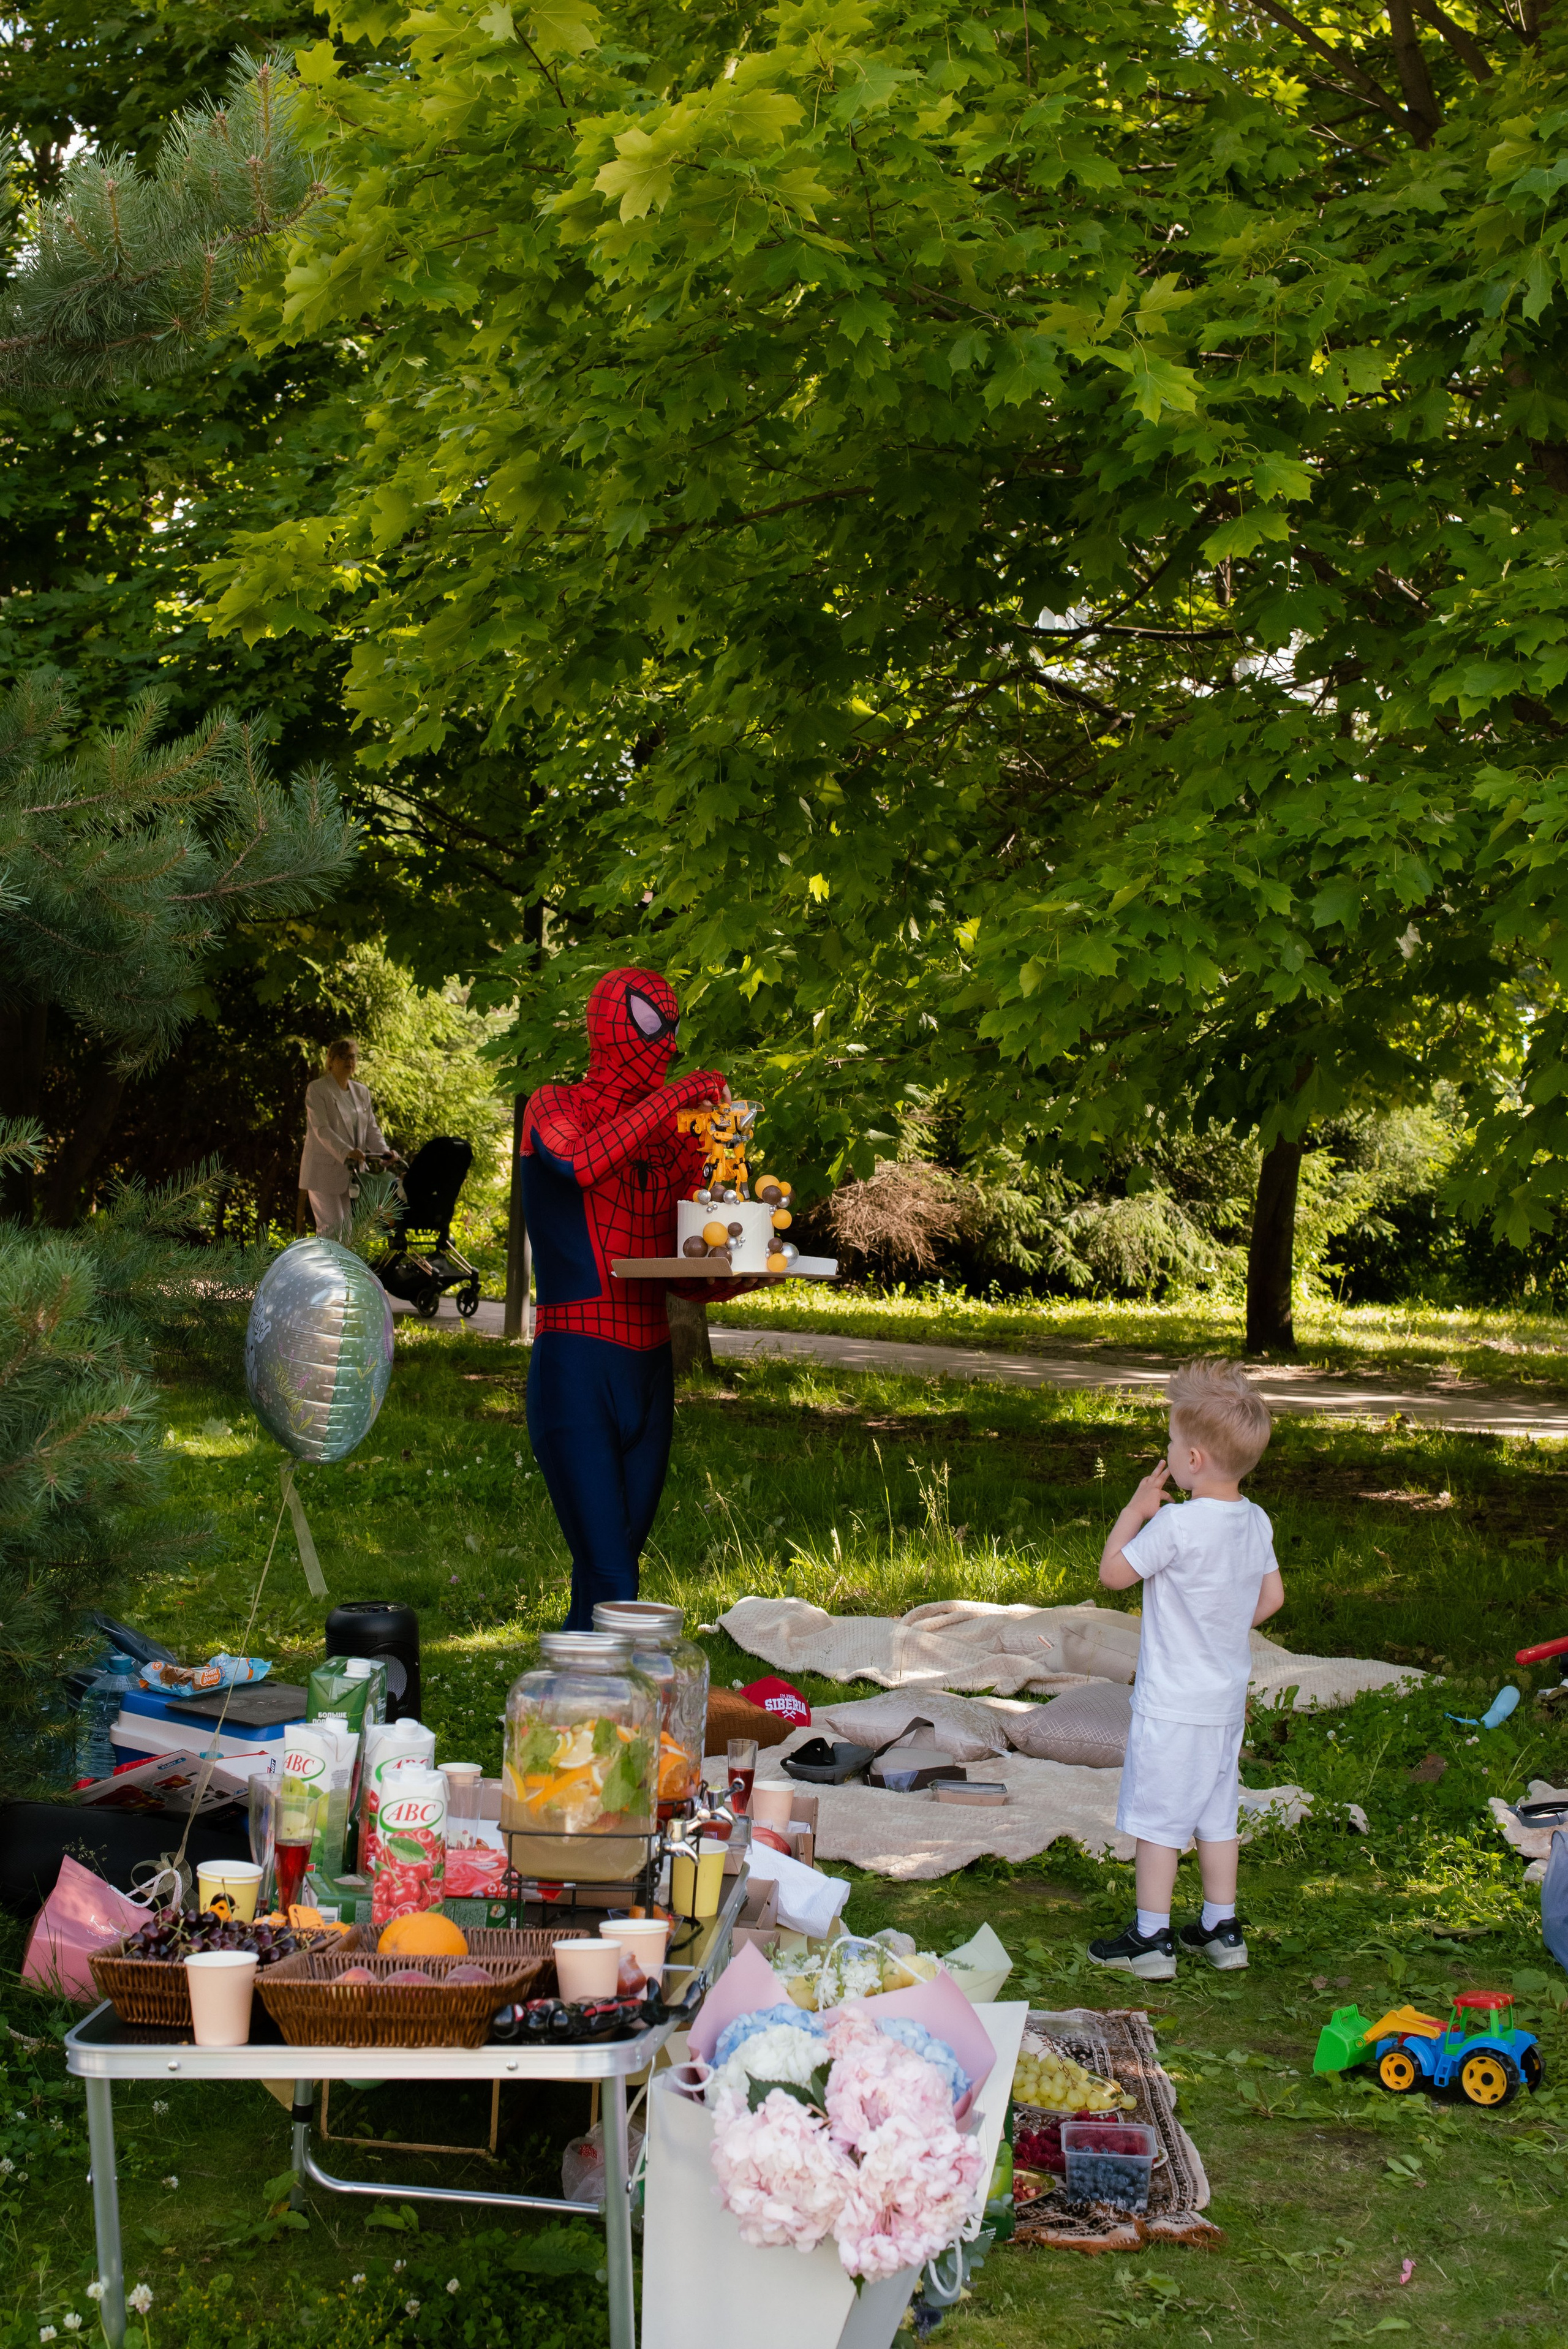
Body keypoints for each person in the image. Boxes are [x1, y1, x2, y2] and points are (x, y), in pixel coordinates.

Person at [520, 967, 749, 1629]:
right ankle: (614, 1720)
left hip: (649, 1370)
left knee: (610, 1566)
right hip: (576, 1366)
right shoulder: (554, 1107)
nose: (670, 1045)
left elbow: (680, 1270)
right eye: (655, 1025)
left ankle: (568, 1712)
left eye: (675, 1030)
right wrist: (677, 1099)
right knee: (616, 1580)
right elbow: (577, 1164)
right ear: (609, 1026)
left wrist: (742, 1269)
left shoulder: (675, 1135)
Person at [1086, 1357, 1284, 1982]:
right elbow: (1272, 1599)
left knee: (1159, 1822)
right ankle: (1222, 1928)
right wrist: (1224, 1627)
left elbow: (1112, 1573)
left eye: (1170, 1442)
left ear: (1193, 1460)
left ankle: (1150, 1938)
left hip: (1171, 1706)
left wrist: (1137, 1508)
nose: (1166, 1452)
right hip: (1224, 1705)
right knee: (1216, 1817)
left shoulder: (1174, 1524)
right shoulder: (1255, 1520)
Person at [298, 1038, 400, 1240]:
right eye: (343, 1057)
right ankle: (329, 1272)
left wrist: (384, 1151)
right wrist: (347, 1152)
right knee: (332, 1230)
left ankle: (346, 1272)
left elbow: (371, 1128)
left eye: (352, 1057)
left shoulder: (361, 1092)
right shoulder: (318, 1089)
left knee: (350, 1233)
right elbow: (321, 1129)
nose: (349, 1061)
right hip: (322, 1171)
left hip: (352, 1174)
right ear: (330, 1061)